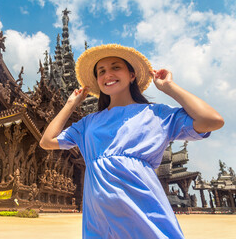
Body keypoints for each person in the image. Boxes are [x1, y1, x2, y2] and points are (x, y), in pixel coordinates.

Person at [39, 44, 224, 239]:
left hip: (145, 216)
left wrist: (169, 88)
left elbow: (212, 120)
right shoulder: (88, 124)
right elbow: (47, 141)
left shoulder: (155, 114)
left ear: (132, 74)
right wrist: (70, 105)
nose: (107, 74)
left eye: (115, 67)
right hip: (100, 224)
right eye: (101, 71)